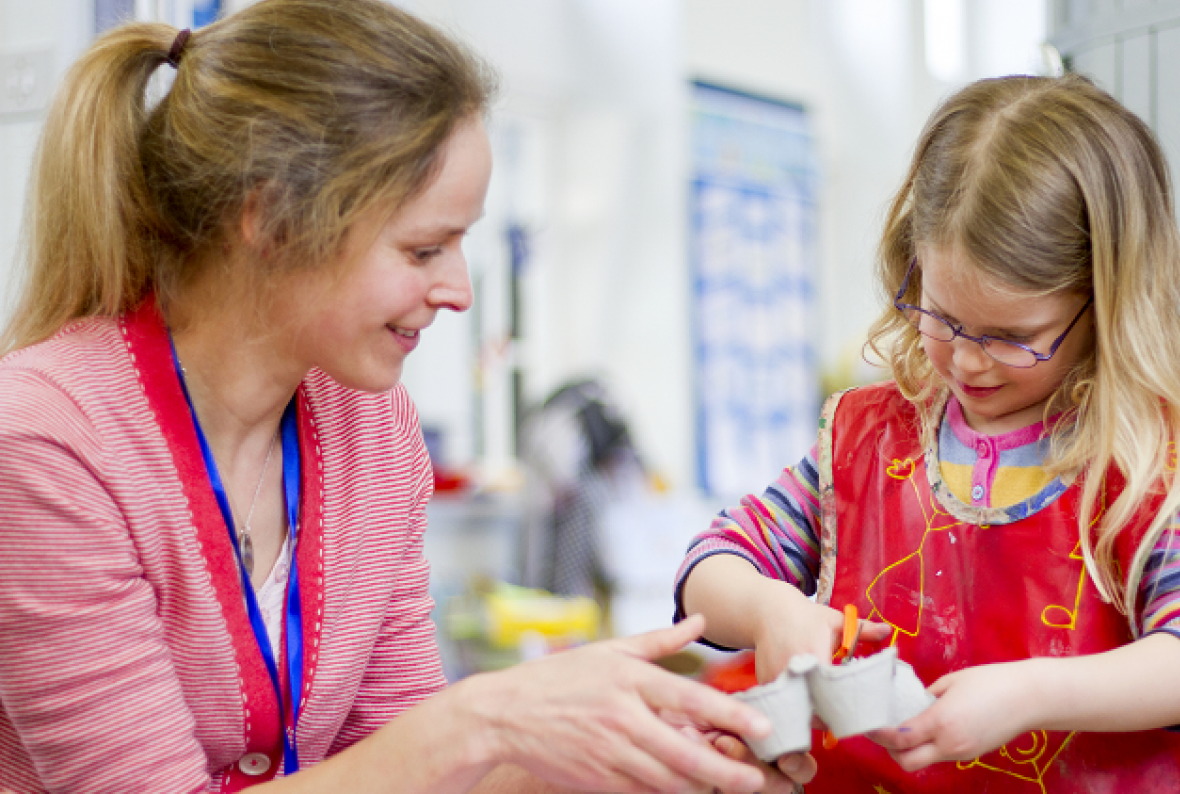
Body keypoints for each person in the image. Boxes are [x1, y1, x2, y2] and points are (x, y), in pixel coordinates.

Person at [0, 1, 813, 792]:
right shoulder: (46, 444)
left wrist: (621, 754)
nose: (459, 290)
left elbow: (409, 769)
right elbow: (429, 749)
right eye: (425, 247)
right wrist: (483, 720)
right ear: (274, 222)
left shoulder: (369, 427)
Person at [675, 74, 1180, 792]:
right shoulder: (870, 440)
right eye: (943, 317)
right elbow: (713, 562)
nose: (967, 360)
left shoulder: (1164, 460)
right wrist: (771, 610)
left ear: (1107, 302)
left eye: (1014, 337)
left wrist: (1034, 694)